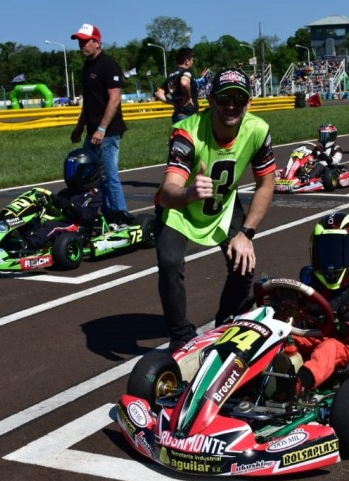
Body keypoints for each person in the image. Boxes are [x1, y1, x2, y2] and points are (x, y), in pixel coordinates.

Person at [154, 67, 277, 349]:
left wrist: (247, 233)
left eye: (238, 98)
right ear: (211, 100)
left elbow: (266, 184)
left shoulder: (257, 130)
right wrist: (189, 193)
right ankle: (181, 337)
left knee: (244, 263)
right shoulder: (187, 132)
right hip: (179, 209)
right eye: (224, 99)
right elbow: (169, 191)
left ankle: (227, 320)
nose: (231, 106)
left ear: (249, 103)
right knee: (170, 263)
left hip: (222, 204)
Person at [290, 212, 349, 395]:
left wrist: (343, 328)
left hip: (345, 343)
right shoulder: (309, 281)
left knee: (328, 349)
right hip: (311, 334)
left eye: (339, 254)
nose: (331, 261)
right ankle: (269, 377)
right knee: (282, 339)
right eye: (326, 253)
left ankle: (298, 385)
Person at [69, 23, 131, 218]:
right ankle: (103, 214)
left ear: (97, 42)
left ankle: (120, 216)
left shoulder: (108, 64)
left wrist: (102, 129)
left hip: (108, 131)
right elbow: (88, 101)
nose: (81, 45)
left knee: (108, 176)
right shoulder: (87, 67)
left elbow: (114, 99)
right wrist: (80, 127)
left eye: (85, 41)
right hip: (93, 131)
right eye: (79, 41)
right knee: (90, 176)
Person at [27, 148, 103, 249]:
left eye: (74, 170)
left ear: (87, 172)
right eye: (69, 169)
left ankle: (28, 246)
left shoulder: (94, 194)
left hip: (78, 226)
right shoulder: (66, 192)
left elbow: (87, 216)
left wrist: (69, 206)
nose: (70, 174)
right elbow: (55, 210)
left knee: (51, 226)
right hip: (63, 221)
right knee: (31, 222)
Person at [155, 47, 198, 123]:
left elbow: (158, 94)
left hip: (177, 114)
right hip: (188, 113)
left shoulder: (171, 75)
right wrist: (188, 97)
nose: (192, 62)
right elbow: (184, 83)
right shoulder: (186, 72)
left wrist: (173, 103)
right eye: (192, 60)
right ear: (187, 61)